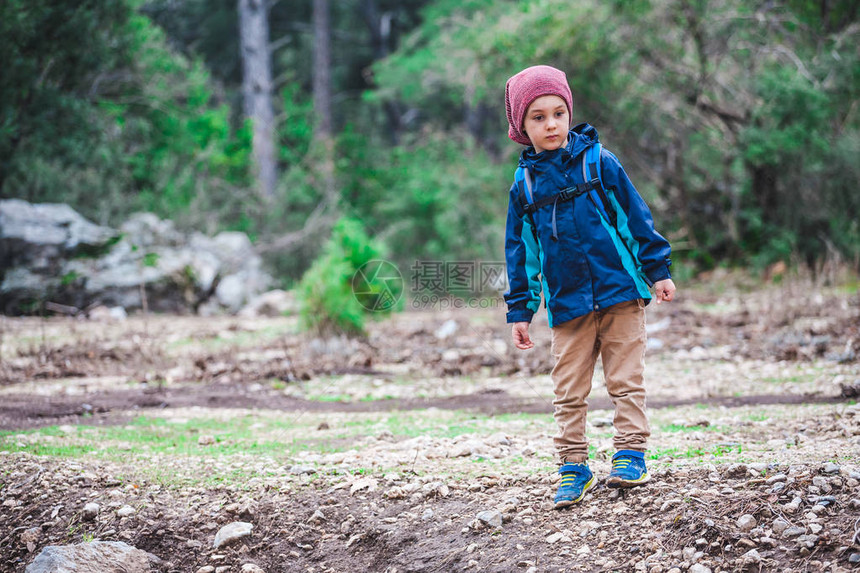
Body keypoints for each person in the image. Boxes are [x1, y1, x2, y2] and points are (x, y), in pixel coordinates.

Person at [503, 65, 676, 509]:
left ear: (569, 112)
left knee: (625, 380)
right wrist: (521, 311)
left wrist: (657, 269)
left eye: (558, 113)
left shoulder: (599, 162)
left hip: (621, 293)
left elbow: (636, 217)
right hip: (568, 304)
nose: (551, 124)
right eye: (538, 117)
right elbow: (522, 253)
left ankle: (631, 454)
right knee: (568, 389)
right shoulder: (524, 186)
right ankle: (573, 466)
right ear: (521, 127)